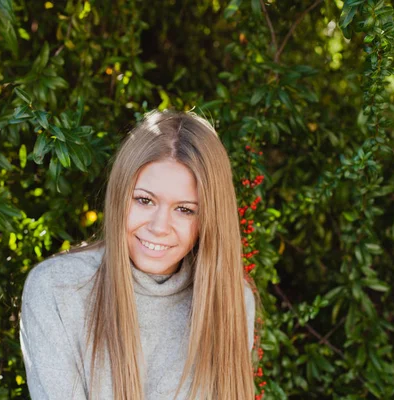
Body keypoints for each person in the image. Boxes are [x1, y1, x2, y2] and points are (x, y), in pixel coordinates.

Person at [20, 110, 261, 400]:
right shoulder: (58, 289)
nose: (159, 227)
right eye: (144, 200)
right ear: (121, 195)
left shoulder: (231, 299)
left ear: (209, 218)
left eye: (185, 209)